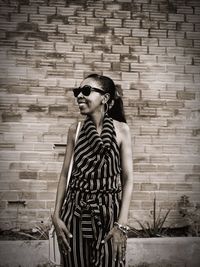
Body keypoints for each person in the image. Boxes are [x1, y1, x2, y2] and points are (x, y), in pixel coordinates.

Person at [52, 74, 133, 267]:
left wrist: (121, 224)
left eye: (86, 91)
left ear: (105, 98)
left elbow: (128, 179)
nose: (79, 95)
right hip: (75, 215)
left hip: (108, 215)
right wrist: (56, 216)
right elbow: (65, 175)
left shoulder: (122, 130)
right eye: (77, 92)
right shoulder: (75, 130)